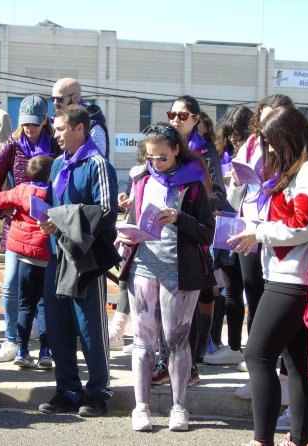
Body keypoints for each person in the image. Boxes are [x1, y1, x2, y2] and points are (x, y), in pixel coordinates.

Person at [229, 106, 308, 446]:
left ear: (289, 137)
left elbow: (306, 223)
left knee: (257, 355)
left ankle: (263, 440)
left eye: (272, 144)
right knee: (298, 363)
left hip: (294, 278)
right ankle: (299, 440)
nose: (269, 151)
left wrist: (261, 234)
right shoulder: (303, 167)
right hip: (291, 275)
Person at [120, 123, 215, 432]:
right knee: (143, 341)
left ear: (176, 150)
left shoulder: (194, 183)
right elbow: (133, 221)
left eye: (162, 157)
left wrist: (179, 218)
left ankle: (179, 407)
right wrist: (126, 235)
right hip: (144, 266)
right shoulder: (141, 179)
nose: (156, 163)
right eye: (150, 157)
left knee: (177, 340)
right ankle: (141, 408)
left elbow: (207, 231)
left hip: (180, 271)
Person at [38, 104, 120, 418]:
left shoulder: (97, 163)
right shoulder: (58, 163)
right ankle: (67, 390)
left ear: (79, 129)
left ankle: (98, 392)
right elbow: (53, 205)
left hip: (85, 258)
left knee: (90, 329)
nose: (55, 135)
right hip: (56, 254)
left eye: (60, 129)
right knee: (58, 326)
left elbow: (107, 211)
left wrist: (60, 218)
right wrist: (46, 219)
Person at [229, 95, 295, 403]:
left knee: (278, 305)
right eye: (264, 118)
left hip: (276, 230)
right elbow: (235, 183)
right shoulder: (252, 143)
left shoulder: (293, 149)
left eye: (275, 118)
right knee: (254, 297)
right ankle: (259, 376)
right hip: (250, 226)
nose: (267, 126)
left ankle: (282, 379)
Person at [161, 95, 227, 383]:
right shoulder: (161, 144)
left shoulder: (207, 152)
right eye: (172, 114)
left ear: (197, 119)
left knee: (191, 303)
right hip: (162, 237)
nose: (176, 119)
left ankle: (193, 363)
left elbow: (220, 197)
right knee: (163, 306)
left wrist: (190, 201)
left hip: (194, 234)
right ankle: (166, 362)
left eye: (183, 115)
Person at [0, 95, 61, 363]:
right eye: (26, 124)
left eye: (35, 123)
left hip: (47, 229)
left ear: (45, 120)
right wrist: (0, 210)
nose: (30, 129)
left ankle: (47, 344)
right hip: (17, 228)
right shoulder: (13, 143)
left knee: (46, 292)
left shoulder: (55, 142)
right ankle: (11, 340)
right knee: (10, 285)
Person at [204, 105, 254, 366]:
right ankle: (234, 346)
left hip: (252, 230)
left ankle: (253, 349)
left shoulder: (259, 153)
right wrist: (233, 182)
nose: (235, 139)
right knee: (232, 288)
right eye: (232, 134)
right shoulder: (225, 154)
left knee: (253, 290)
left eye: (239, 134)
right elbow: (231, 199)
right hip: (229, 226)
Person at [0, 155, 54, 369]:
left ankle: (21, 350)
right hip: (46, 257)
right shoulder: (54, 192)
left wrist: (4, 211)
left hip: (25, 258)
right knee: (45, 306)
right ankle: (46, 352)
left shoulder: (20, 191)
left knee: (24, 305)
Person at [109, 140, 147, 351]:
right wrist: (125, 201)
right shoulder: (137, 172)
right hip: (133, 232)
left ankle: (136, 335)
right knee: (127, 282)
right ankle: (119, 332)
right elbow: (131, 199)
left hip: (149, 235)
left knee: (143, 287)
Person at [51, 77, 110, 158]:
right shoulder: (55, 121)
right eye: (53, 99)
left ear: (76, 98)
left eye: (59, 99)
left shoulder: (94, 126)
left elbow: (98, 160)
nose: (55, 103)